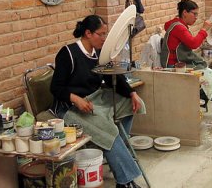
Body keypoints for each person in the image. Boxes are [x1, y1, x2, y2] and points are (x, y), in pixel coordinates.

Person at [50, 15, 145, 188]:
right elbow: (56, 88)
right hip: (70, 107)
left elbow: (112, 78)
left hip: (95, 100)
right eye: (100, 34)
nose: (104, 38)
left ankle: (117, 149)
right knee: (107, 128)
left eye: (105, 34)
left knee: (135, 103)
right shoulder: (68, 54)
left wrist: (132, 93)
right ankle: (124, 181)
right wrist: (76, 99)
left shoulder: (100, 52)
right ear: (88, 33)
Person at [160, 0, 212, 108]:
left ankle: (198, 102)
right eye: (194, 14)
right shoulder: (179, 27)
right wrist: (204, 29)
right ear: (184, 12)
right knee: (209, 74)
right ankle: (197, 104)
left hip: (178, 62)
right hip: (172, 65)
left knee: (206, 68)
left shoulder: (176, 23)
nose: (196, 17)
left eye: (197, 14)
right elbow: (194, 43)